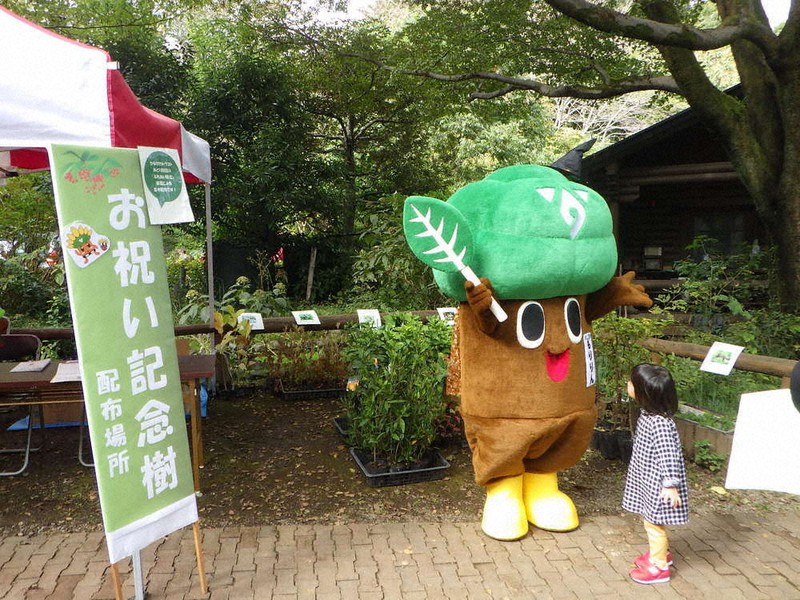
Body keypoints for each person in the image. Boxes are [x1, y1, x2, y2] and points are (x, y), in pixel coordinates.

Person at [622, 363, 688, 584]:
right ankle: (660, 554)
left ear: (644, 392)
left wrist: (670, 485)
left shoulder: (659, 423)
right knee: (649, 518)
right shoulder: (650, 415)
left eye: (632, 383)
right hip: (647, 478)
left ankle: (659, 567)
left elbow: (668, 454)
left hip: (659, 485)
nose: (628, 385)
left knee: (653, 523)